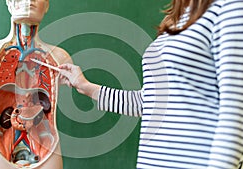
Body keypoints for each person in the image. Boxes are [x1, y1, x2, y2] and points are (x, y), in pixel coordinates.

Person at [59, 0, 243, 168]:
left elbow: (236, 110)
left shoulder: (230, 7)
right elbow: (150, 102)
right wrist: (86, 87)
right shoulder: (178, 17)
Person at [0, 0, 71, 168]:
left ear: (46, 5)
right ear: (9, 2)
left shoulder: (60, 59)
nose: (28, 1)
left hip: (46, 151)